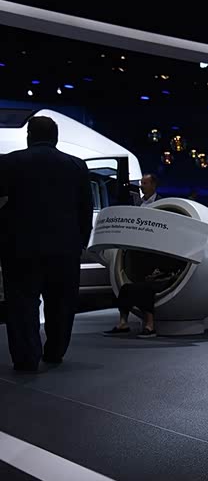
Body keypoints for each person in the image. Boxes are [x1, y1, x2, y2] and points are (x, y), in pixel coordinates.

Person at [0, 116, 93, 372]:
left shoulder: (8, 162)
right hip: (65, 248)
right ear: (56, 137)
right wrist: (80, 242)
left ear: (29, 135)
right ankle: (55, 351)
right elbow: (85, 209)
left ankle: (26, 358)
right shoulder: (76, 165)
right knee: (61, 303)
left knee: (22, 305)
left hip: (19, 247)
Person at [104, 267, 180, 338]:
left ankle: (150, 326)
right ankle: (123, 324)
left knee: (145, 289)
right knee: (125, 288)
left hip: (168, 280)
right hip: (154, 279)